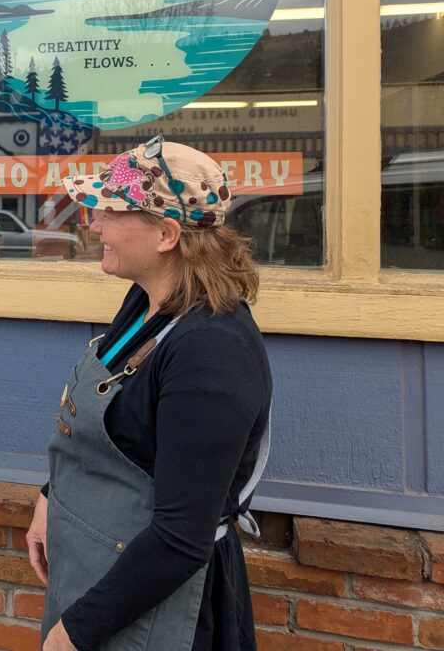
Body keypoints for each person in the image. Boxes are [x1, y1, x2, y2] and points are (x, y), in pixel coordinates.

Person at [26, 135, 272, 651]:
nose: (92, 226)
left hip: (154, 613)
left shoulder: (211, 350)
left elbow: (183, 539)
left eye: (110, 213)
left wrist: (74, 633)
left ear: (166, 234)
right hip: (97, 575)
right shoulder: (146, 302)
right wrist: (51, 498)